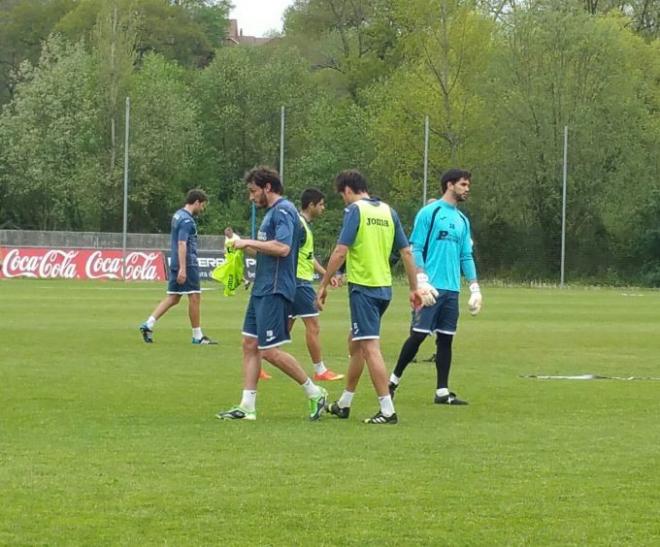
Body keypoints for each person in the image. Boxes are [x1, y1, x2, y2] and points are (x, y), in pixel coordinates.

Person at [217, 166, 328, 421]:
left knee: (269, 351)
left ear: (268, 187)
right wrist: (240, 244)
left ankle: (315, 392)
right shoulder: (270, 214)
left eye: (253, 191)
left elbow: (283, 248)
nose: (251, 196)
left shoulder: (284, 211)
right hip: (262, 287)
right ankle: (247, 406)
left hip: (276, 288)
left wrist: (248, 242)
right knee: (249, 344)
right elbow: (266, 249)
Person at [317, 169, 421, 425]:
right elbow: (407, 253)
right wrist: (413, 287)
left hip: (363, 288)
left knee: (369, 347)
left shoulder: (356, 211)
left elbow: (341, 250)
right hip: (384, 289)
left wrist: (323, 284)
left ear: (348, 190)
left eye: (343, 196)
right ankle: (344, 403)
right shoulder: (388, 211)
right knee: (356, 344)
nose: (344, 201)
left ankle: (387, 410)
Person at [388, 168, 482, 405]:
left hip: (452, 290)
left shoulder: (462, 220)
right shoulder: (430, 212)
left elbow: (466, 256)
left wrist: (474, 287)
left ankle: (442, 391)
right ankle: (391, 382)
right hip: (430, 287)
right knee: (418, 336)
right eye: (463, 184)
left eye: (468, 185)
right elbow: (415, 247)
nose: (467, 189)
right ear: (450, 185)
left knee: (446, 339)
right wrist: (421, 279)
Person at [139, 189, 217, 345]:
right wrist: (183, 268)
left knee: (173, 297)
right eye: (202, 205)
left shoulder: (177, 215)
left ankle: (148, 324)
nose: (202, 209)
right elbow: (182, 243)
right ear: (196, 202)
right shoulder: (187, 221)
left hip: (174, 261)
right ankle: (197, 336)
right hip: (187, 263)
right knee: (195, 297)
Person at [287, 187, 345, 382]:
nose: (323, 208)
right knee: (313, 325)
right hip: (299, 283)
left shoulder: (304, 226)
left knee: (284, 328)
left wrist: (327, 275)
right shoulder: (299, 226)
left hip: (297, 282)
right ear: (311, 205)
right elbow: (291, 254)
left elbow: (308, 258)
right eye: (320, 204)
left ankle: (257, 361)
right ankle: (320, 370)